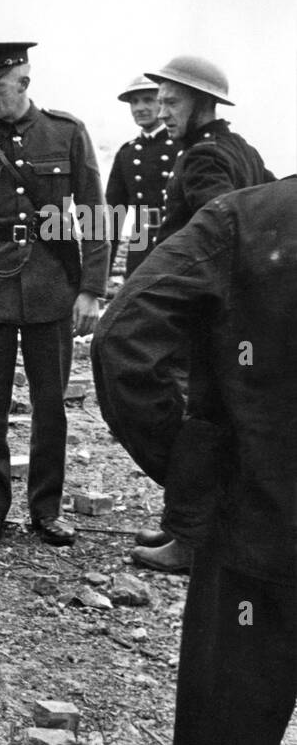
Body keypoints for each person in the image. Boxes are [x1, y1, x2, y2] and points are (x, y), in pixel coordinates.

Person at [91, 177, 297, 745]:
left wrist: (191, 477)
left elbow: (122, 339)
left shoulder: (247, 219)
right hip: (251, 533)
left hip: (255, 538)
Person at [0, 42, 108, 548]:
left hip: (52, 285)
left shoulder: (66, 133)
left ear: (24, 83)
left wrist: (92, 290)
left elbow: (94, 217)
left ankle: (46, 509)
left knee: (50, 404)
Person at [125, 54, 273, 573]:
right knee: (210, 413)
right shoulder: (243, 149)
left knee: (202, 417)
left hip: (210, 309)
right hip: (237, 309)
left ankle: (190, 536)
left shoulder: (204, 158)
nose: (162, 109)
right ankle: (181, 522)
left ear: (202, 102)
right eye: (160, 99)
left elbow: (223, 228)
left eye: (172, 100)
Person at [105, 76, 178, 277]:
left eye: (148, 99)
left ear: (162, 103)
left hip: (178, 246)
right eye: (134, 102)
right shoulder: (127, 153)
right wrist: (99, 276)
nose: (140, 108)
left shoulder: (183, 147)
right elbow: (113, 214)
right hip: (140, 247)